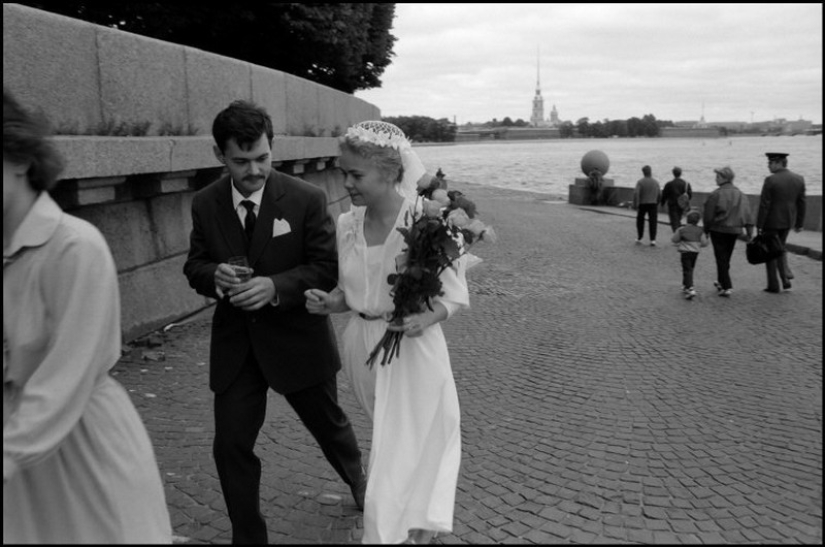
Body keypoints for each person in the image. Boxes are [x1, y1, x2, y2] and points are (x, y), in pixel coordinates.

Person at [182, 100, 366, 544]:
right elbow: (195, 265)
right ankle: (248, 537)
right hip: (237, 346)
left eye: (262, 158)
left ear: (272, 147)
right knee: (230, 446)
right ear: (219, 155)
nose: (255, 170)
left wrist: (276, 287)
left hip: (298, 340)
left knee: (330, 426)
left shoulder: (306, 198)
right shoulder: (205, 203)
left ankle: (359, 480)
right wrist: (213, 276)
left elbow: (326, 268)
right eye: (241, 161)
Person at [3, 88, 172, 543]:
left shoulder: (74, 248)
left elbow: (66, 377)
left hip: (81, 452)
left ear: (18, 157)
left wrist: (9, 453)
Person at [305, 121, 470, 545]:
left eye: (355, 174)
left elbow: (453, 295)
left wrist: (423, 319)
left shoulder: (426, 221)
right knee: (396, 443)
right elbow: (352, 292)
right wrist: (331, 302)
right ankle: (418, 526)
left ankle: (390, 533)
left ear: (389, 171)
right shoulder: (347, 224)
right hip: (363, 348)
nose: (346, 183)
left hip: (414, 352)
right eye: (343, 172)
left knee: (401, 447)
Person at [756, 152, 806, 293]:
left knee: (770, 252)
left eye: (770, 163)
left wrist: (759, 224)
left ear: (778, 163)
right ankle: (785, 278)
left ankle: (773, 284)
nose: (768, 166)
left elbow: (764, 204)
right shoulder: (799, 179)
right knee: (780, 248)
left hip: (771, 222)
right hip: (787, 221)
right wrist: (799, 223)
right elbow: (802, 203)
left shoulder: (770, 180)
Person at [702, 166, 753, 298]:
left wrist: (706, 230)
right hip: (734, 230)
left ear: (725, 178)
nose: (715, 179)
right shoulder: (741, 195)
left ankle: (726, 286)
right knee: (726, 257)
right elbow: (748, 214)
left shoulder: (716, 194)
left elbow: (708, 216)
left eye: (718, 176)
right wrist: (749, 233)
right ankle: (721, 281)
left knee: (720, 257)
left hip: (718, 229)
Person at [671, 209, 709, 299]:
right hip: (695, 252)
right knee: (690, 268)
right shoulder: (700, 231)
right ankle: (685, 285)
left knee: (686, 269)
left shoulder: (681, 229)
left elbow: (674, 239)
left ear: (687, 219)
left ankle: (690, 287)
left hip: (685, 252)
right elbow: (704, 243)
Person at [633, 165, 661, 246]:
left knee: (640, 221)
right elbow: (659, 194)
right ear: (650, 172)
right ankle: (653, 239)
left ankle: (640, 237)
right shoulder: (656, 182)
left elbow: (636, 193)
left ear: (643, 172)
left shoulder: (640, 182)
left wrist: (636, 204)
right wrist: (657, 202)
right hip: (653, 204)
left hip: (642, 203)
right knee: (653, 221)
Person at [660, 166, 693, 232]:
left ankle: (677, 234)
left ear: (673, 173)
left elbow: (664, 195)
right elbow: (690, 195)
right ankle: (679, 232)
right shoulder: (686, 183)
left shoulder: (669, 184)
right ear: (680, 173)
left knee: (674, 221)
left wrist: (662, 203)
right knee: (678, 219)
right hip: (682, 205)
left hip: (672, 205)